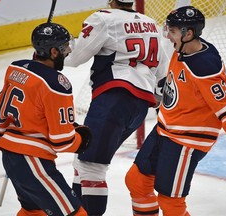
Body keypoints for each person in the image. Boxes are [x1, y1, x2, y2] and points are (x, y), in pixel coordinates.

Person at [125, 6, 226, 216]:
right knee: (137, 181)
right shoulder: (183, 49)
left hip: (186, 141)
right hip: (165, 129)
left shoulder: (204, 66)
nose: (168, 36)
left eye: (173, 32)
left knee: (171, 203)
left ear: (188, 33)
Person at [65, 0, 167, 215]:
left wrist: (52, 48)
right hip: (139, 106)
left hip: (113, 99)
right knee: (83, 159)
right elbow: (162, 72)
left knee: (91, 167)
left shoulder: (103, 18)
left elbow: (74, 58)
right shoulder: (150, 23)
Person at [0, 22, 92, 216]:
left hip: (11, 157)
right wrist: (81, 139)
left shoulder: (15, 69)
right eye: (64, 47)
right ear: (53, 52)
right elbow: (62, 141)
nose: (69, 50)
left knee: (33, 211)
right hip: (33, 161)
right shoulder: (56, 83)